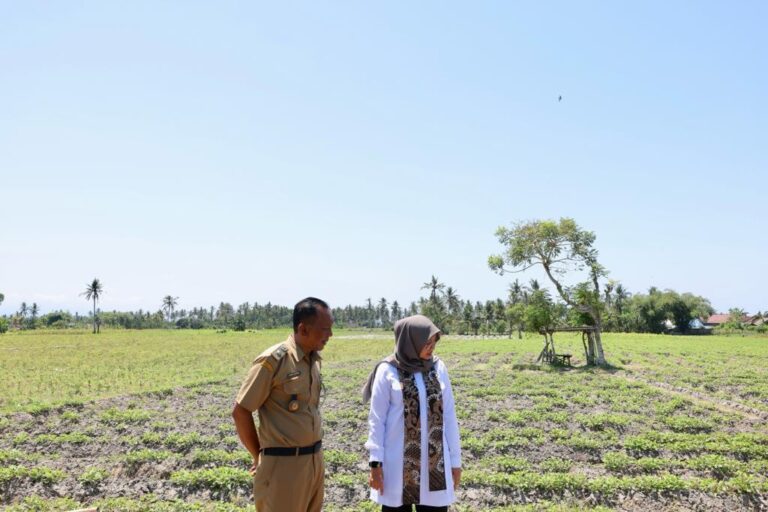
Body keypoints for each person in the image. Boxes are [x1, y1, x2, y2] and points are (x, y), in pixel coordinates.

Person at [232, 297, 333, 512]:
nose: (330, 335)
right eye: (325, 329)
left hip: (314, 463)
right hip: (283, 468)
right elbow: (241, 411)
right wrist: (257, 455)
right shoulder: (273, 361)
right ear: (303, 329)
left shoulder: (312, 361)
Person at [362, 315, 462, 512]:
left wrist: (456, 462)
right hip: (396, 468)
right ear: (409, 341)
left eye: (434, 342)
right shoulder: (387, 370)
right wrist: (375, 464)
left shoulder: (438, 368)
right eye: (426, 342)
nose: (431, 347)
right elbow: (377, 420)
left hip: (435, 468)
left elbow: (449, 416)